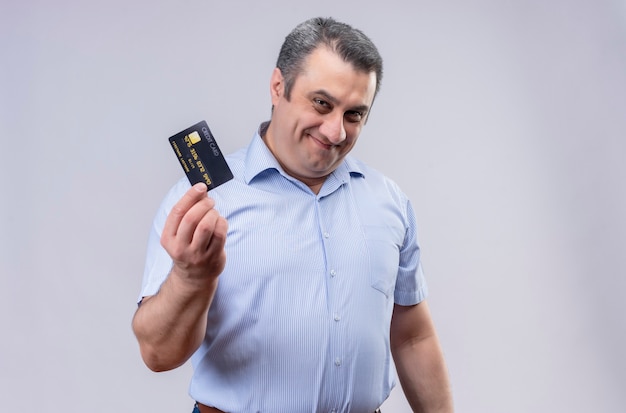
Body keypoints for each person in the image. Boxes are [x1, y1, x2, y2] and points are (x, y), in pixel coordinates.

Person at [132, 16, 453, 413]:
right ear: (278, 86)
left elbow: (411, 336)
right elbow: (157, 353)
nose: (336, 131)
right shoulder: (203, 201)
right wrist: (191, 275)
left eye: (354, 114)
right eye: (322, 103)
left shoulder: (389, 200)